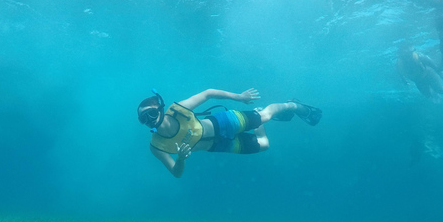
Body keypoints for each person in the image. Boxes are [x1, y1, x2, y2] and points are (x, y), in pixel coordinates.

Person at [137, 88, 321, 178]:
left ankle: (293, 105)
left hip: (223, 123)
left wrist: (239, 97)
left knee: (265, 116)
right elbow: (176, 173)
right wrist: (181, 159)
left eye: (151, 114)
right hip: (218, 146)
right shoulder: (156, 146)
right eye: (144, 119)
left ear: (160, 109)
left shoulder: (178, 110)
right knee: (264, 145)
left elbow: (208, 93)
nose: (149, 121)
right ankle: (259, 113)